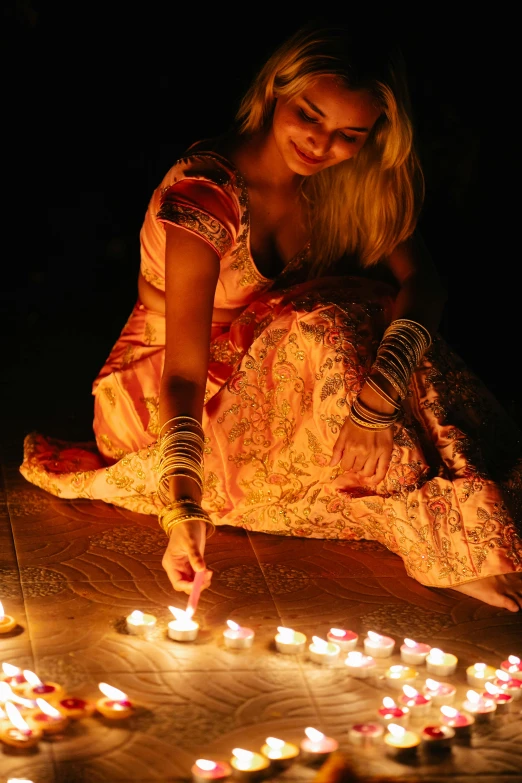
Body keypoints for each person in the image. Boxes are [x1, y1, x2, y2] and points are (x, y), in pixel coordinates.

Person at [20, 20, 522, 611]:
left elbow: (424, 283)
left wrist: (378, 398)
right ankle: (441, 536)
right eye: (309, 115)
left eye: (348, 134)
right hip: (158, 395)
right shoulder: (207, 194)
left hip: (260, 366)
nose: (321, 144)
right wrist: (183, 505)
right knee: (330, 322)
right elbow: (181, 374)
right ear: (274, 91)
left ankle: (463, 503)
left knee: (374, 322)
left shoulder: (337, 181)